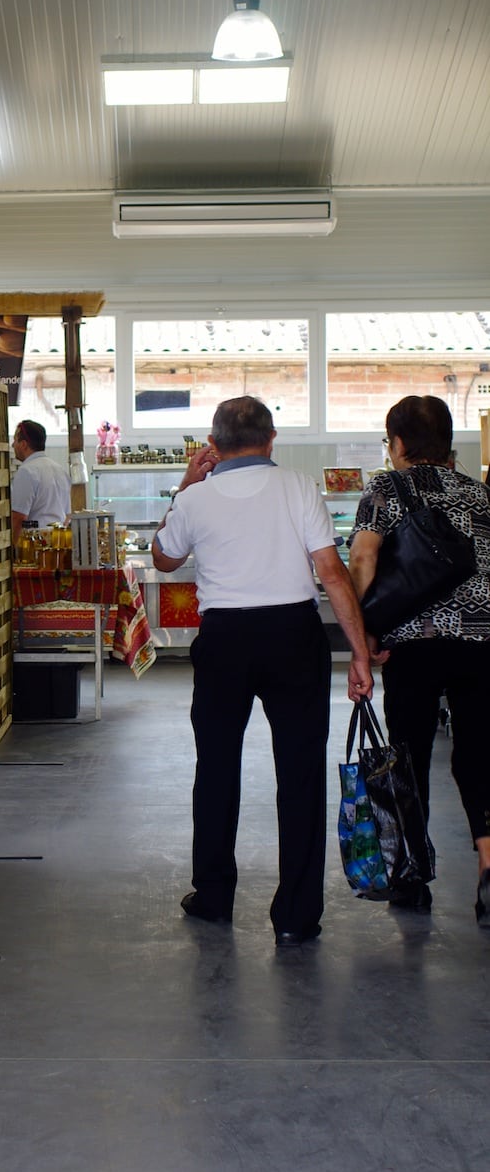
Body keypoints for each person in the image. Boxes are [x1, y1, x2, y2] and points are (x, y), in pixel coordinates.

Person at [153, 396, 374, 947]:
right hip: (294, 637)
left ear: (213, 444)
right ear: (271, 439)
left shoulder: (196, 498)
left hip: (224, 639)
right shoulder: (299, 487)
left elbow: (163, 558)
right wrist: (361, 654)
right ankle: (297, 915)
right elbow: (332, 572)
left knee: (217, 767)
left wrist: (186, 483)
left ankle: (213, 896)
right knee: (300, 774)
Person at [347, 395, 490, 924]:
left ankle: (410, 871)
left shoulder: (388, 486)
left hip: (416, 640)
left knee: (407, 753)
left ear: (398, 443)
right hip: (483, 641)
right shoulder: (480, 493)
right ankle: (488, 868)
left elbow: (363, 557)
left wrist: (362, 634)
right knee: (479, 752)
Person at [11, 419, 71, 548]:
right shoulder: (60, 469)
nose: (12, 445)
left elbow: (19, 517)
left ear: (23, 444)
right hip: (59, 543)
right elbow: (67, 516)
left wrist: (13, 549)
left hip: (36, 544)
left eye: (15, 440)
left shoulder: (26, 471)